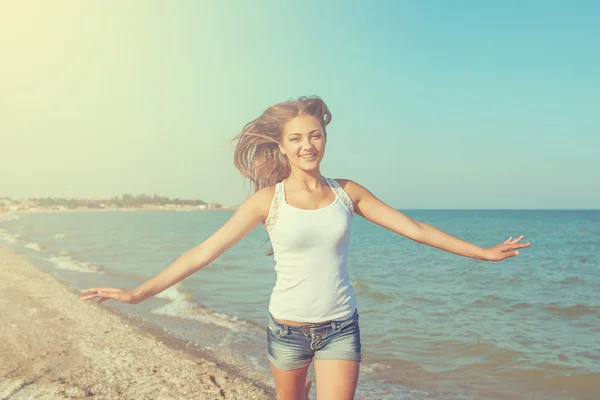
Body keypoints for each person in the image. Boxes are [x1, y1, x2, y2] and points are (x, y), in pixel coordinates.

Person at [80, 96, 530, 400]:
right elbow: (202, 252)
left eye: (314, 135)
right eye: (295, 138)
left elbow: (413, 228)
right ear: (282, 145)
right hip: (287, 330)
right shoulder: (266, 201)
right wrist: (138, 294)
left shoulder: (347, 192)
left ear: (324, 138)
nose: (307, 144)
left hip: (339, 327)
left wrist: (481, 252)